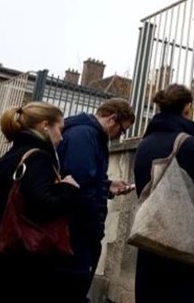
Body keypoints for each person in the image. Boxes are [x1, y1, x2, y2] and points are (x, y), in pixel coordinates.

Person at [0, 102, 80, 303]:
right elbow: (43, 204)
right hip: (19, 269)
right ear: (45, 126)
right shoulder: (39, 159)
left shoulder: (6, 159)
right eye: (60, 129)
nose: (62, 137)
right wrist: (67, 187)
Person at [133, 84, 194, 303]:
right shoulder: (192, 145)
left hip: (151, 239)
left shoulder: (144, 144)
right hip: (185, 248)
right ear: (187, 108)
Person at [55, 98, 136, 302]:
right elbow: (79, 188)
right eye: (122, 130)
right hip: (75, 233)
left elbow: (86, 179)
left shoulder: (87, 135)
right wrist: (95, 229)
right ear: (112, 119)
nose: (119, 137)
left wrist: (107, 185)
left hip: (74, 231)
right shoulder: (85, 136)